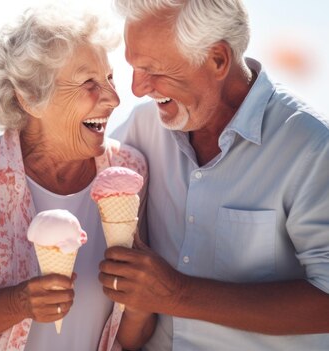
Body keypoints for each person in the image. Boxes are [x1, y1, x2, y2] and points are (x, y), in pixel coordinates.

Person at [0, 5, 155, 351]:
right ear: (30, 99)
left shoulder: (129, 171)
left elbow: (129, 337)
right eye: (89, 83)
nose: (113, 99)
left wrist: (143, 306)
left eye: (110, 78)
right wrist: (19, 303)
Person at [101, 0, 329, 349]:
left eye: (152, 69)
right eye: (133, 67)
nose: (136, 88)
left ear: (218, 59)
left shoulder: (312, 147)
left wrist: (177, 294)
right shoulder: (143, 128)